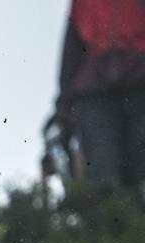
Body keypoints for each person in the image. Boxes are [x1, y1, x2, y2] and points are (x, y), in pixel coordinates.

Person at [56, 0, 145, 193]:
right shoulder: (81, 4)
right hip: (94, 95)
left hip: (140, 89)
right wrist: (63, 107)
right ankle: (108, 215)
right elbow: (71, 50)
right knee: (102, 177)